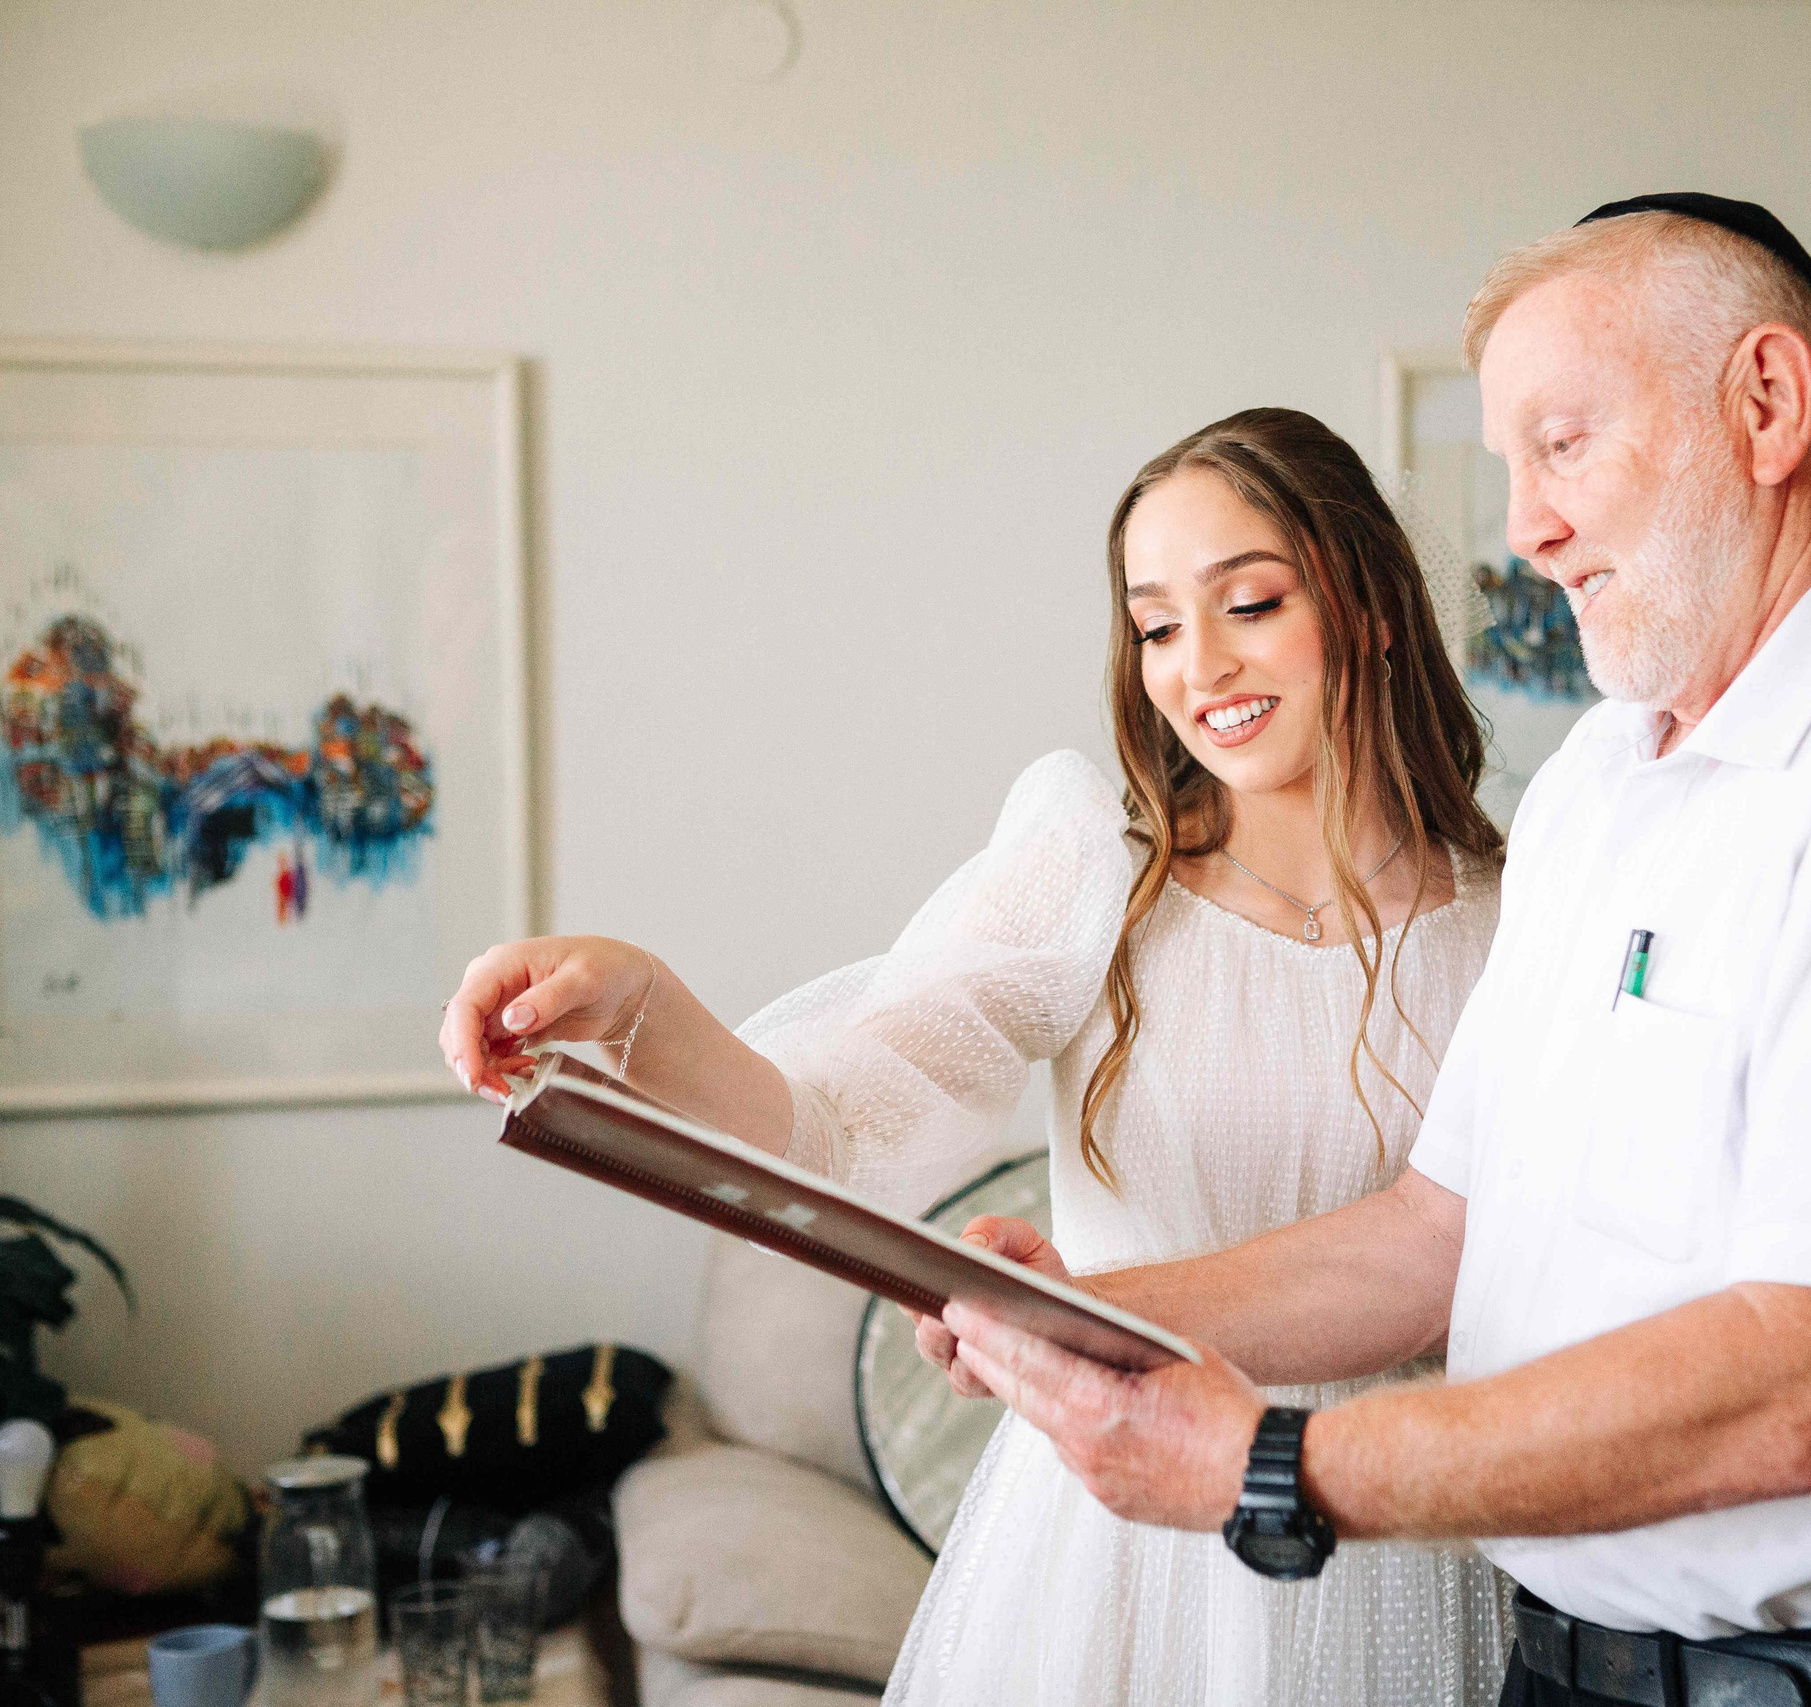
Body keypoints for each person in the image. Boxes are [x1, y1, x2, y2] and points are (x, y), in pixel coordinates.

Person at [925, 197, 1811, 1707]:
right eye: (1513, 464)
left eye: (1565, 445)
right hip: (1566, 1673)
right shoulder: (1601, 786)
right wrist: (1090, 1317)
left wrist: (1273, 1465)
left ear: (1767, 407)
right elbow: (1434, 1232)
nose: (1524, 526)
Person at [438, 407, 1515, 1705]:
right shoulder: (1095, 875)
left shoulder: (1520, 918)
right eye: (1158, 624)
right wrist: (643, 1010)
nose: (1201, 667)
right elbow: (841, 1121)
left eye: (1252, 603)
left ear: (1375, 605)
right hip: (1119, 1532)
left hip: (1399, 1510)